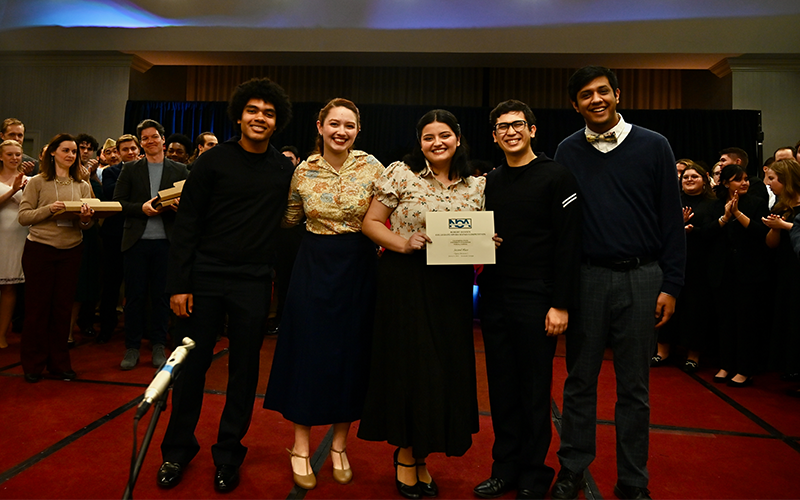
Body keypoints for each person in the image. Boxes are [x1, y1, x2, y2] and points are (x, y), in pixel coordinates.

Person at [551, 66, 685, 500]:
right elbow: (561, 225)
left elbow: (671, 220)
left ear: (617, 95)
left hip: (644, 277)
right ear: (575, 105)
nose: (596, 99)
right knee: (579, 382)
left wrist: (672, 285)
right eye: (585, 95)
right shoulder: (567, 150)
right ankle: (571, 469)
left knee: (635, 388)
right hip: (587, 277)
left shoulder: (654, 145)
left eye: (602, 91)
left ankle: (633, 481)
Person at [156, 77, 295, 494]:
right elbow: (187, 227)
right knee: (190, 368)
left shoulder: (283, 169)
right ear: (239, 115)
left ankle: (229, 454)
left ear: (277, 122)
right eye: (253, 110)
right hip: (203, 279)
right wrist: (179, 284)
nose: (260, 118)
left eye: (268, 113)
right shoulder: (211, 163)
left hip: (253, 281)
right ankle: (177, 451)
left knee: (244, 373)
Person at [358, 109, 491, 499]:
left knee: (442, 371)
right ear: (420, 142)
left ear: (458, 138)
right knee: (411, 368)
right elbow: (372, 223)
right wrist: (404, 243)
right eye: (429, 136)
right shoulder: (401, 173)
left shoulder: (475, 184)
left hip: (451, 288)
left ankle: (422, 456)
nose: (437, 142)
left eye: (445, 135)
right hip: (406, 281)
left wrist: (487, 241)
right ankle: (405, 454)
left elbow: (474, 232)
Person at [264, 98, 384, 490]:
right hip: (314, 265)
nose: (341, 131)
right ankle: (300, 446)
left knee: (351, 353)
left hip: (360, 266)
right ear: (319, 126)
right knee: (308, 352)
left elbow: (392, 214)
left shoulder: (373, 167)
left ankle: (338, 444)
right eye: (334, 124)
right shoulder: (302, 171)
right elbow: (288, 219)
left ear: (358, 130)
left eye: (349, 125)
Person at [473, 100, 581, 500]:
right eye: (502, 127)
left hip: (538, 299)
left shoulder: (557, 177)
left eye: (518, 124)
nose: (510, 132)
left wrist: (561, 304)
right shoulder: (493, 181)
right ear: (495, 135)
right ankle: (504, 469)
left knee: (535, 392)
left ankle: (534, 475)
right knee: (501, 390)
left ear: (533, 129)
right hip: (496, 296)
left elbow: (569, 245)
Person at [17, 134, 94, 382]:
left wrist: (84, 218)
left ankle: (59, 363)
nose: (71, 155)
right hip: (40, 249)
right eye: (66, 150)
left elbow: (88, 223)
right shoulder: (38, 182)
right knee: (37, 309)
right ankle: (33, 364)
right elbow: (24, 217)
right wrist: (49, 210)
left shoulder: (82, 184)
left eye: (74, 151)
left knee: (62, 309)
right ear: (53, 153)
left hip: (71, 251)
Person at [113, 119, 189, 370]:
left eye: (154, 136)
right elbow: (119, 203)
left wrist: (180, 207)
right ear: (140, 143)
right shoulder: (130, 169)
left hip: (167, 244)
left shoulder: (180, 170)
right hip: (136, 243)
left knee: (160, 297)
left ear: (163, 140)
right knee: (134, 298)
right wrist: (142, 208)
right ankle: (132, 347)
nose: (150, 141)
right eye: (144, 138)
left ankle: (158, 344)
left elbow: (194, 204)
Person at [708, 164, 769, 387]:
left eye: (745, 179)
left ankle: (745, 369)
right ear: (725, 183)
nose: (744, 183)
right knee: (725, 321)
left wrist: (737, 214)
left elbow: (761, 233)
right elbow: (708, 234)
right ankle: (726, 365)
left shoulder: (756, 203)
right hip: (722, 272)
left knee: (746, 323)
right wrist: (725, 217)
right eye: (737, 179)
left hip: (749, 272)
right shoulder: (715, 206)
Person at [651, 161, 716, 373]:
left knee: (695, 312)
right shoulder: (672, 201)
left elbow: (716, 232)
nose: (689, 180)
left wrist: (692, 230)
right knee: (667, 309)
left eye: (694, 176)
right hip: (671, 264)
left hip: (700, 266)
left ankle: (693, 356)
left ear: (704, 180)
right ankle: (662, 351)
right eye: (685, 177)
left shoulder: (713, 204)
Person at [762, 159, 800, 386]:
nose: (770, 184)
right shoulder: (780, 206)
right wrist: (774, 228)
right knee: (788, 318)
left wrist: (784, 226)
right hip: (785, 270)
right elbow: (771, 243)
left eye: (773, 179)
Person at [0, 140, 29, 348]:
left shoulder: (29, 180)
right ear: (1, 156)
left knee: (9, 287)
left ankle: (1, 333)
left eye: (17, 154)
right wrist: (13, 190)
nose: (14, 158)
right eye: (9, 154)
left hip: (17, 236)